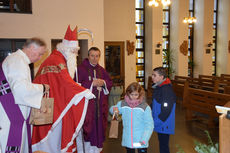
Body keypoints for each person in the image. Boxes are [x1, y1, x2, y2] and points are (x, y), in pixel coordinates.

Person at [31, 25, 95, 153]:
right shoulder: (57, 60)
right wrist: (83, 92)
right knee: (52, 140)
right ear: (66, 49)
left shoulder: (57, 58)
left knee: (54, 139)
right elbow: (64, 82)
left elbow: (62, 83)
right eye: (73, 52)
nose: (75, 56)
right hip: (50, 109)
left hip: (52, 105)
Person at [0, 38, 49, 153]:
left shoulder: (17, 60)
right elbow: (20, 89)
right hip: (10, 118)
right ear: (32, 48)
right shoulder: (18, 61)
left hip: (12, 115)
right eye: (40, 54)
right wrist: (42, 88)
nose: (40, 58)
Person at [76, 47, 113, 153]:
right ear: (88, 56)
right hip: (87, 107)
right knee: (88, 129)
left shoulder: (101, 70)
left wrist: (103, 83)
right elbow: (76, 86)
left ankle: (96, 150)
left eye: (97, 56)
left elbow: (109, 82)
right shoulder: (81, 69)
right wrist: (92, 84)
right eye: (92, 55)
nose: (94, 58)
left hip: (99, 107)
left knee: (99, 128)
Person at [109, 82, 154, 153]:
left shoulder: (145, 107)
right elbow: (113, 109)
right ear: (128, 93)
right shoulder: (123, 103)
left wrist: (144, 139)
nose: (133, 97)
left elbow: (149, 125)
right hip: (128, 139)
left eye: (136, 94)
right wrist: (113, 109)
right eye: (131, 94)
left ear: (140, 94)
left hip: (141, 139)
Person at [151, 67, 176, 153]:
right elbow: (155, 103)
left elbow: (167, 108)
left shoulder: (166, 89)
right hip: (160, 121)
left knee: (164, 145)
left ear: (161, 77)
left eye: (154, 75)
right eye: (152, 75)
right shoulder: (159, 87)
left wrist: (157, 121)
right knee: (162, 144)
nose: (152, 77)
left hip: (164, 122)